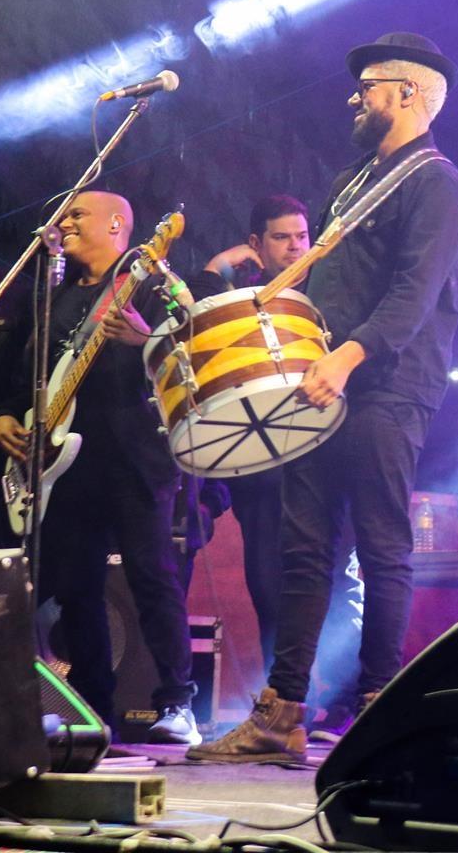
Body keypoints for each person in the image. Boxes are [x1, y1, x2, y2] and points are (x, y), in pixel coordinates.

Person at [190, 32, 458, 764]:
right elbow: (326, 286)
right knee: (304, 551)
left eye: (369, 86)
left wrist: (348, 357)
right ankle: (280, 714)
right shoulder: (352, 182)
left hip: (387, 386)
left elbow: (414, 295)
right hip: (323, 379)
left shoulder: (440, 186)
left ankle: (380, 712)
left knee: (382, 548)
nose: (355, 97)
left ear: (408, 94)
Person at [0, 191, 200, 745]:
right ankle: (91, 710)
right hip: (66, 467)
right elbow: (25, 374)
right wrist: (5, 415)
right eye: (64, 215)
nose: (64, 222)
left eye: (77, 214)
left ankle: (178, 703)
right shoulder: (52, 297)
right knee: (77, 588)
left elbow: (193, 356)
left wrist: (144, 339)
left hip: (135, 457)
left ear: (116, 225)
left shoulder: (152, 282)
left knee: (151, 576)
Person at [199, 194, 313, 671]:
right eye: (281, 238)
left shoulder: (328, 288)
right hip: (262, 468)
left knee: (323, 582)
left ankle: (336, 695)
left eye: (302, 236)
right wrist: (216, 268)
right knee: (266, 585)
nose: (295, 247)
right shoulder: (243, 300)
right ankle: (278, 690)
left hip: (320, 461)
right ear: (256, 243)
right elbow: (193, 326)